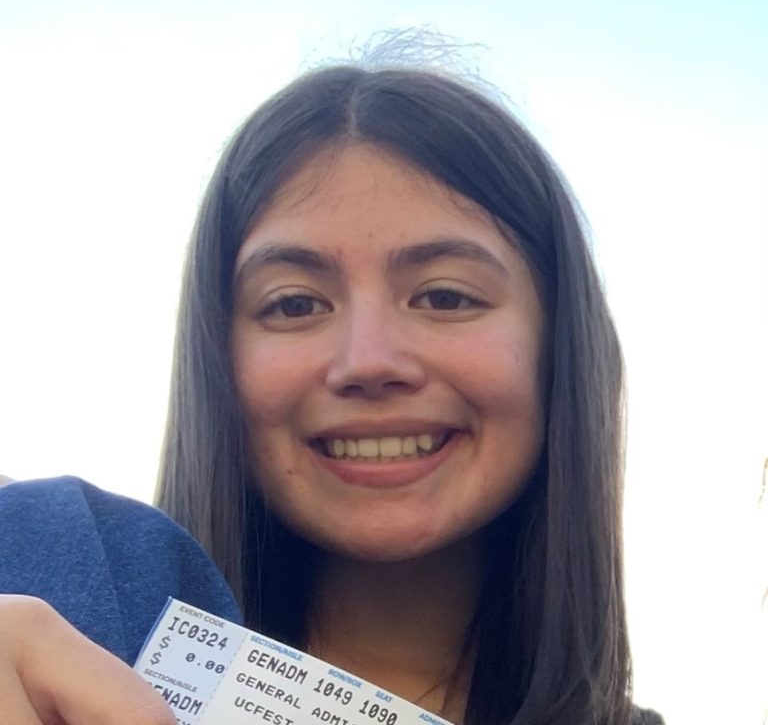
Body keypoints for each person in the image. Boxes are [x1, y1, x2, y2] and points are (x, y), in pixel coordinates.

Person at [0, 56, 664, 724]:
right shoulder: (44, 612)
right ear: (219, 358)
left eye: (444, 295)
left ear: (559, 345)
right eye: (294, 305)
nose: (367, 361)